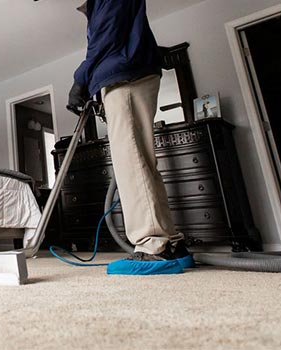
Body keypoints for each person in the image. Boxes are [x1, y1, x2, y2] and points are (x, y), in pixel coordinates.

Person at [68, 0, 194, 275]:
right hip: (130, 73)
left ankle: (153, 247)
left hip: (123, 76)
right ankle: (171, 244)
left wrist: (81, 79)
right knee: (142, 162)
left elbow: (104, 36)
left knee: (131, 163)